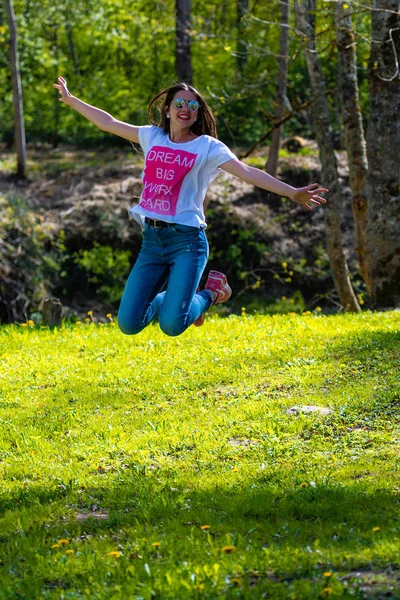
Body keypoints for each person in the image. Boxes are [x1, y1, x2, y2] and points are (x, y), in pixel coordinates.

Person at [53, 77, 328, 336]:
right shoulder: (152, 137)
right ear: (168, 109)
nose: (186, 109)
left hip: (187, 242)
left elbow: (247, 172)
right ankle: (178, 300)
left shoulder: (208, 147)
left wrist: (292, 192)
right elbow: (107, 122)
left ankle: (211, 293)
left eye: (193, 106)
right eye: (180, 104)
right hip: (152, 240)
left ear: (198, 114)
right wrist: (72, 100)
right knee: (129, 323)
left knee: (171, 326)